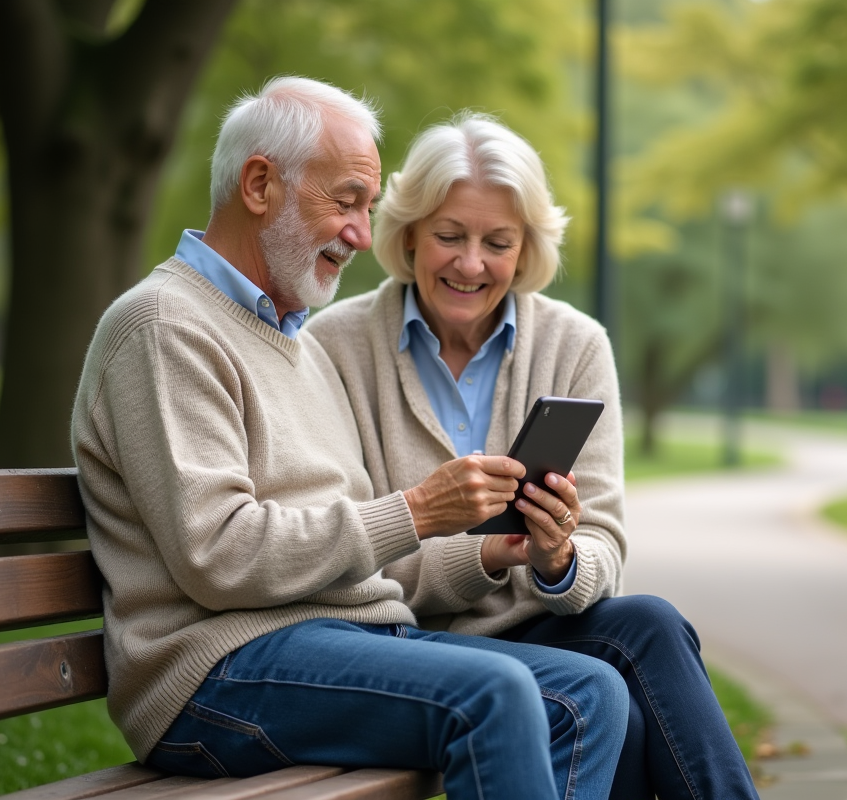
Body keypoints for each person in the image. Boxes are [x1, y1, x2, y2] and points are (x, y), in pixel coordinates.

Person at [70, 77, 630, 800]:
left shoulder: (296, 343)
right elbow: (218, 556)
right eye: (347, 201)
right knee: (494, 693)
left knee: (593, 692)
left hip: (340, 641)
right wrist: (421, 511)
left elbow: (350, 552)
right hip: (216, 674)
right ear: (260, 183)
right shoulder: (163, 326)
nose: (364, 235)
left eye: (367, 207)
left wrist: (487, 547)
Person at [306, 112, 762, 799]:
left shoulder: (575, 344)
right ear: (407, 235)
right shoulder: (334, 346)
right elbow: (347, 551)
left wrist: (558, 560)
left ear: (525, 250)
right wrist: (486, 555)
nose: (471, 263)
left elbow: (603, 537)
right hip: (410, 648)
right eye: (449, 236)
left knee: (653, 623)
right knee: (625, 715)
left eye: (498, 242)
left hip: (538, 629)